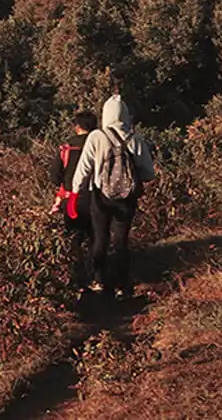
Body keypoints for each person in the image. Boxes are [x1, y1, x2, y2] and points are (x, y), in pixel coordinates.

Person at [71, 93, 157, 299]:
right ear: (125, 115)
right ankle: (122, 285)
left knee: (100, 237)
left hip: (101, 196)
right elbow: (149, 174)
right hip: (127, 199)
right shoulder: (136, 139)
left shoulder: (96, 137)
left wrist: (75, 193)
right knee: (121, 241)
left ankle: (98, 280)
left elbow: (84, 168)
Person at [48, 111, 95, 287]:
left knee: (74, 239)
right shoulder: (99, 146)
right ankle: (97, 277)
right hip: (96, 198)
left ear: (77, 127)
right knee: (96, 238)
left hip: (71, 199)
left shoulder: (67, 148)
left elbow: (54, 176)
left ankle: (77, 279)